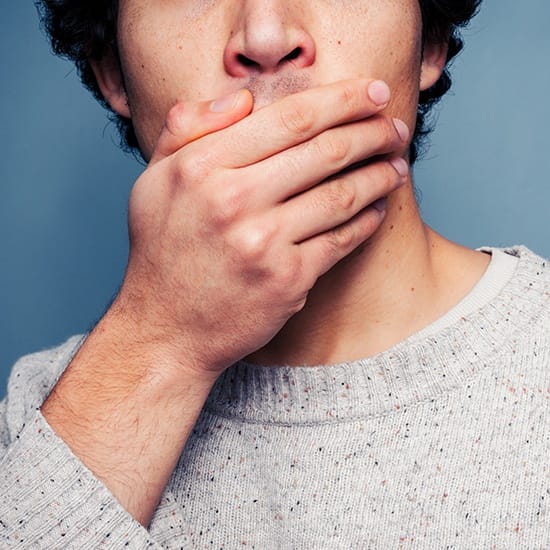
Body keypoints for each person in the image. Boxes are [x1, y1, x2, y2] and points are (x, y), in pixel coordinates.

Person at [1, 0, 548, 547]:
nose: (265, 38)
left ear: (428, 39)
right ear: (112, 72)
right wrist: (160, 340)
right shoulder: (40, 428)